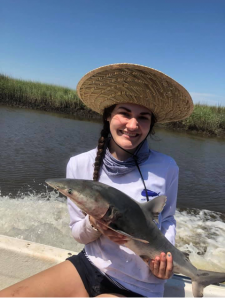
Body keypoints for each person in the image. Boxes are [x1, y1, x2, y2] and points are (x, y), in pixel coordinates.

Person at [0, 63, 193, 298]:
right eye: (124, 113)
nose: (132, 125)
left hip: (140, 283)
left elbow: (168, 218)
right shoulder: (79, 164)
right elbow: (78, 234)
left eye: (143, 117)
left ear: (151, 124)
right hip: (90, 265)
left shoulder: (166, 167)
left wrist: (165, 261)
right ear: (108, 115)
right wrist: (95, 224)